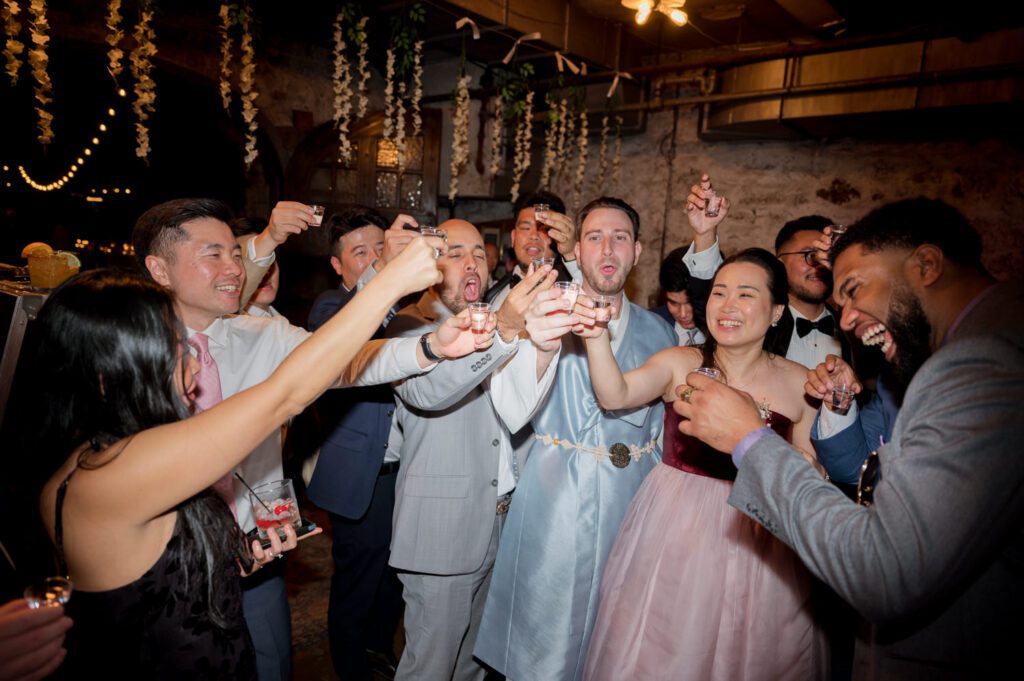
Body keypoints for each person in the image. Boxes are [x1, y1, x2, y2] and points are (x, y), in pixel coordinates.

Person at [31, 242, 441, 675]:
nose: (194, 362)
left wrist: (240, 556)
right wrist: (390, 283)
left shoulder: (123, 451)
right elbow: (285, 394)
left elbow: (157, 580)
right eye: (175, 348)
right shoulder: (108, 475)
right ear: (111, 371)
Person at [675, 198, 1024, 679]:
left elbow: (885, 568)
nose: (848, 319)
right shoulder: (978, 342)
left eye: (856, 290)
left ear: (926, 264)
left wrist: (752, 439)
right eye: (840, 304)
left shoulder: (984, 360)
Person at [131, 198, 474, 681]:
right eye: (215, 255)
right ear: (159, 269)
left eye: (237, 253)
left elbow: (342, 358)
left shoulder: (262, 335)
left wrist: (431, 346)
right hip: (163, 567)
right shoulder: (125, 354)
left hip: (260, 548)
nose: (234, 268)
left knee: (272, 665)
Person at [581, 248, 826, 680]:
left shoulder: (800, 382)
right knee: (666, 646)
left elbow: (810, 471)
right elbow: (615, 395)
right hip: (677, 528)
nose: (727, 307)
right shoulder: (682, 363)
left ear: (775, 313)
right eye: (719, 293)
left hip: (761, 532)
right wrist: (596, 336)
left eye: (745, 295)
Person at [474, 196, 680, 680]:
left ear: (637, 252)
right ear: (576, 252)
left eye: (620, 238)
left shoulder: (661, 333)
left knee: (623, 637)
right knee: (543, 640)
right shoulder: (541, 317)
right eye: (594, 238)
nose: (607, 249)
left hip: (635, 506)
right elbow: (506, 403)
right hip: (554, 500)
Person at [384, 219, 559, 681]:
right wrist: (502, 329)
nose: (471, 262)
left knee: (473, 667)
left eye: (479, 253)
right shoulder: (407, 323)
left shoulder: (498, 316)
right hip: (442, 528)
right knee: (430, 668)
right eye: (455, 252)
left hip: (500, 516)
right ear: (431, 264)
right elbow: (430, 392)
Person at [304, 206, 405, 681]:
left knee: (394, 581)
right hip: (363, 478)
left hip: (406, 477)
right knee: (356, 586)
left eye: (380, 249)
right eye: (360, 252)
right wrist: (384, 276)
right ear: (338, 264)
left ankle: (379, 654)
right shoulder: (328, 307)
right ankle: (349, 670)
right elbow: (342, 339)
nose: (372, 259)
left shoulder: (410, 310)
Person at [771, 215, 850, 368]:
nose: (821, 264)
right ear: (780, 265)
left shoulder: (852, 330)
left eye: (828, 256)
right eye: (810, 255)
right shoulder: (761, 326)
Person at [483, 190, 576, 306]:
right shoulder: (492, 294)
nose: (534, 236)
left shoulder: (573, 289)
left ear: (558, 238)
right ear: (513, 237)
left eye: (544, 229)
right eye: (525, 228)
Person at [651, 246, 709, 345]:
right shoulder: (649, 325)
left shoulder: (725, 329)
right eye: (674, 303)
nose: (683, 314)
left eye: (690, 303)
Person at [230, 217, 281, 318]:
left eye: (269, 259)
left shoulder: (279, 321)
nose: (265, 272)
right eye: (248, 261)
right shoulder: (226, 322)